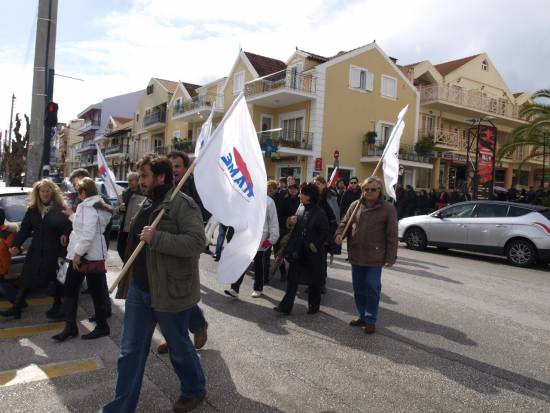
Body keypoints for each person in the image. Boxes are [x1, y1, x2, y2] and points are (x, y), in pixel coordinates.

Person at [103, 155, 206, 413]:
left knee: (179, 347)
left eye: (146, 176)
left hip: (170, 292)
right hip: (140, 290)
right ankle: (120, 408)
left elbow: (196, 243)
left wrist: (157, 238)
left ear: (160, 176)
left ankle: (194, 390)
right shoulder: (144, 202)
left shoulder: (183, 204)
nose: (141, 180)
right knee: (130, 352)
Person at [154, 153, 210, 355]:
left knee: (180, 293)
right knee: (166, 294)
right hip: (161, 248)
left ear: (187, 168)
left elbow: (205, 213)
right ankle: (174, 336)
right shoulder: (162, 187)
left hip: (183, 248)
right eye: (170, 166)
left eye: (177, 166)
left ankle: (197, 325)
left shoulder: (194, 187)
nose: (173, 170)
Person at [0, 179, 71, 320]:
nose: (45, 193)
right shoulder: (32, 210)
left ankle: (58, 307)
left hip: (54, 251)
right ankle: (17, 308)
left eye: (47, 191)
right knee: (26, 278)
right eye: (42, 191)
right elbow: (24, 230)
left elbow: (68, 230)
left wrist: (63, 253)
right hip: (36, 251)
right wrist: (15, 245)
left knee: (56, 280)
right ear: (38, 193)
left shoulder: (60, 209)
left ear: (53, 192)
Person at [334, 176, 398, 334]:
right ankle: (362, 315)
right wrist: (339, 234)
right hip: (356, 253)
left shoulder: (388, 209)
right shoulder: (355, 205)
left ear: (379, 190)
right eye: (366, 189)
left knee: (372, 288)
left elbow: (392, 235)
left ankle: (370, 319)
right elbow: (345, 223)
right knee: (358, 288)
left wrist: (391, 256)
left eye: (373, 189)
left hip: (375, 257)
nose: (369, 192)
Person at [52, 177, 113, 342]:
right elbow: (85, 226)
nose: (76, 194)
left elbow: (88, 233)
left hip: (84, 255)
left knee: (72, 289)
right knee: (95, 291)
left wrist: (77, 254)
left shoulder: (87, 206)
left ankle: (79, 327)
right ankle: (94, 326)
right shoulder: (98, 205)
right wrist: (73, 216)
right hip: (93, 255)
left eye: (78, 191)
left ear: (83, 192)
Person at [274, 183, 328, 315]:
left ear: (309, 196)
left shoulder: (320, 213)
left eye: (302, 193)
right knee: (292, 280)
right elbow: (293, 227)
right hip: (297, 251)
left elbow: (324, 233)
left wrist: (312, 246)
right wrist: (289, 221)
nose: (299, 195)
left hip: (312, 254)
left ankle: (313, 307)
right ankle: (285, 307)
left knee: (314, 282)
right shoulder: (300, 207)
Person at [224, 186, 279, 298]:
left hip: (260, 238)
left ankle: (258, 288)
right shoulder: (246, 200)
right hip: (246, 236)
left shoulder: (269, 202)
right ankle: (234, 289)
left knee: (258, 262)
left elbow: (273, 222)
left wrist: (271, 239)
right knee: (242, 262)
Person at [314, 176, 338, 293]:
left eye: (319, 183)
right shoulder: (313, 197)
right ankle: (312, 284)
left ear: (324, 185)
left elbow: (334, 219)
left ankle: (321, 284)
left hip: (323, 236)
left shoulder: (329, 198)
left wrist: (328, 237)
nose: (316, 185)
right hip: (312, 234)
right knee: (312, 261)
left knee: (321, 262)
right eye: (315, 183)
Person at [116, 171, 144, 262]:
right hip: (123, 228)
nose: (129, 182)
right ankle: (127, 265)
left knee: (133, 252)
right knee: (120, 248)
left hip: (136, 228)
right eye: (128, 180)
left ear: (137, 181)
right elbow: (115, 211)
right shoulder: (123, 194)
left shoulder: (143, 194)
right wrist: (119, 209)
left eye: (131, 180)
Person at [276, 183, 300, 281]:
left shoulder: (301, 202)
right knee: (280, 253)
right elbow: (279, 217)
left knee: (292, 255)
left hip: (297, 232)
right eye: (291, 189)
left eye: (295, 189)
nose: (293, 190)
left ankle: (292, 273)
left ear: (298, 190)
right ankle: (283, 272)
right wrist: (288, 220)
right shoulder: (284, 200)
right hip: (284, 231)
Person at [0, 208, 18, 303]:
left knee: (2, 285)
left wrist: (15, 249)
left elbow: (15, 248)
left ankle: (18, 302)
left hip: (1, 265)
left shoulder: (5, 234)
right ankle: (19, 301)